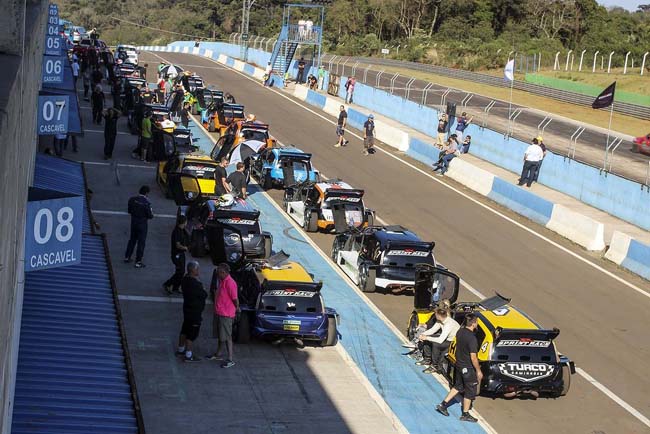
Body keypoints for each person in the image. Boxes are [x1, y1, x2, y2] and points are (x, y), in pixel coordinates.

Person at [435, 313, 481, 423]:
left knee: (458, 386)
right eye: (477, 321)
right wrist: (478, 370)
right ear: (473, 323)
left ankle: (443, 404)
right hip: (468, 368)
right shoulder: (472, 338)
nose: (477, 323)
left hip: (459, 365)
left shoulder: (460, 332)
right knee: (470, 391)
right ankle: (465, 414)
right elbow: (473, 357)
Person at [207, 263, 240, 368]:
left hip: (226, 314)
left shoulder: (230, 283)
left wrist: (237, 308)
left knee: (227, 336)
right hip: (219, 312)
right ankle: (218, 353)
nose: (217, 275)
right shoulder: (222, 281)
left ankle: (230, 358)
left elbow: (235, 299)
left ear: (223, 272)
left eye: (218, 273)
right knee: (221, 335)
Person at [177, 261, 207, 363]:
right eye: (197, 269)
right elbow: (204, 295)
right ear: (193, 270)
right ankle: (188, 355)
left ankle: (181, 349)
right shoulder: (196, 284)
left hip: (187, 310)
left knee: (184, 330)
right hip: (195, 313)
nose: (198, 270)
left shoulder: (185, 280)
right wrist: (202, 288)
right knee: (191, 334)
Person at [417, 308, 460, 373]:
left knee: (436, 344)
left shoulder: (449, 324)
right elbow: (432, 330)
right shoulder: (440, 321)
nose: (435, 315)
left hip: (452, 342)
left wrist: (426, 338)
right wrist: (423, 334)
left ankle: (434, 366)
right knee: (428, 338)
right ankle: (427, 359)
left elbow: (440, 340)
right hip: (446, 338)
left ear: (439, 316)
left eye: (436, 314)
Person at [124, 185, 154, 268]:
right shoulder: (146, 202)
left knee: (132, 240)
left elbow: (129, 211)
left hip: (133, 223)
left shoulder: (132, 199)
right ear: (147, 193)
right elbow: (150, 216)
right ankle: (138, 261)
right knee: (141, 242)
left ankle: (127, 257)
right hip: (142, 224)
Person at [164, 215, 190, 295]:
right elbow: (177, 245)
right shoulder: (177, 232)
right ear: (184, 222)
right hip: (177, 254)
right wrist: (185, 248)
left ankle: (176, 286)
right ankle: (168, 284)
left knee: (181, 271)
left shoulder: (182, 230)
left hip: (181, 254)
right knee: (180, 271)